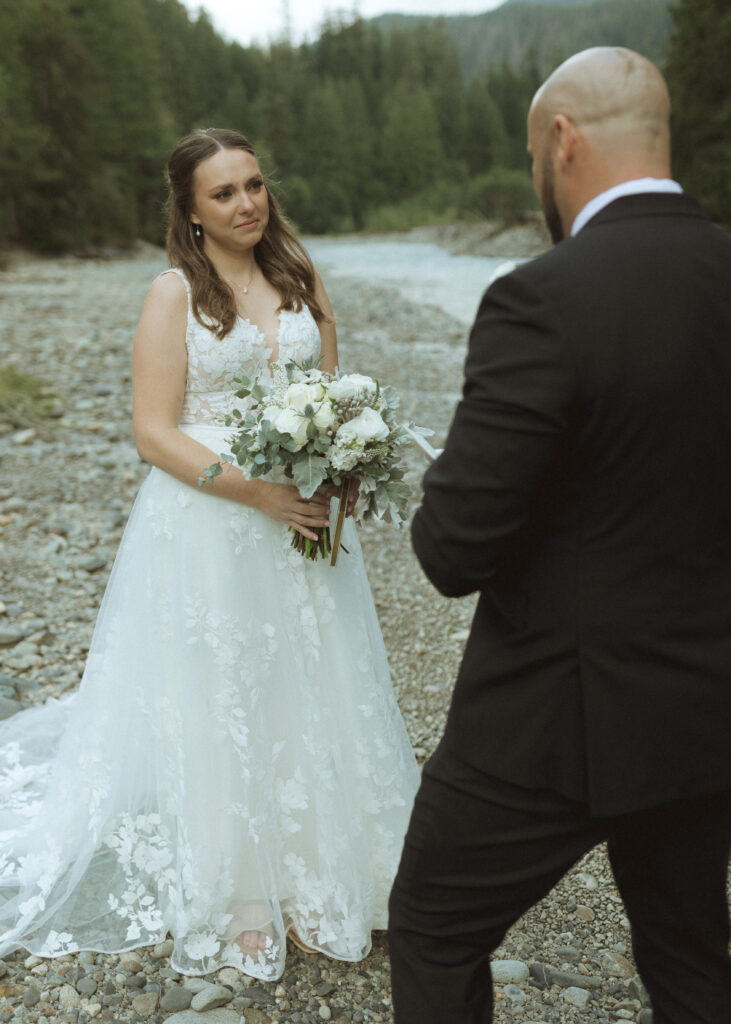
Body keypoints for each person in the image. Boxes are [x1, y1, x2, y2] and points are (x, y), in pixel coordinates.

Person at [0, 128, 419, 980]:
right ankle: (241, 888)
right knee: (224, 688)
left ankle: (324, 861)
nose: (246, 204)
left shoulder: (300, 279)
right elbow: (152, 434)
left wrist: (340, 471)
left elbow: (333, 397)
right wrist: (259, 493)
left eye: (254, 185)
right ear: (189, 213)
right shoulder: (172, 296)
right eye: (223, 193)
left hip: (304, 519)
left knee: (312, 676)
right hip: (210, 523)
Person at [388, 48, 731, 1024]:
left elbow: (451, 550)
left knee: (433, 928)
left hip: (551, 719)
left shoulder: (540, 297)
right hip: (705, 702)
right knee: (689, 953)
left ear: (560, 139)